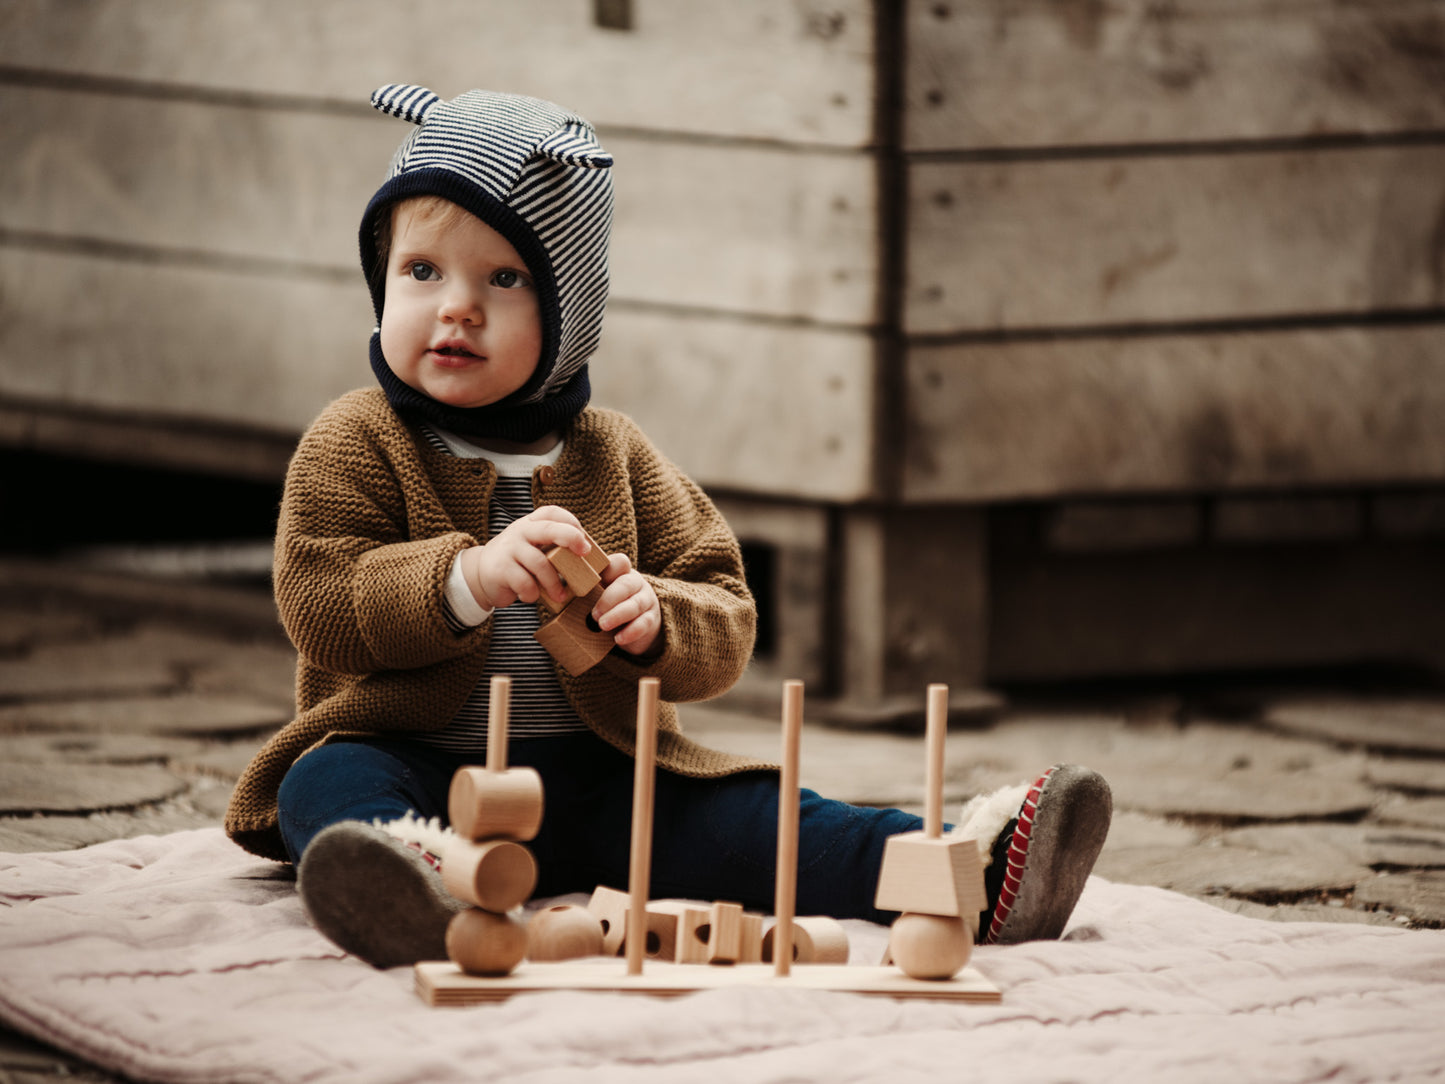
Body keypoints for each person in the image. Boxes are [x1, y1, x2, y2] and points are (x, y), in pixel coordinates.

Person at [224, 84, 1112, 968]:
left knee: (764, 822)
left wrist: (656, 619)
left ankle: (961, 866)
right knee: (326, 782)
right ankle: (417, 880)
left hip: (608, 777)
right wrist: (468, 579)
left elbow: (726, 612)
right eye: (422, 271)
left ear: (569, 313)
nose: (456, 307)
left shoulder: (616, 455)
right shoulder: (356, 439)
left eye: (505, 279)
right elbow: (319, 599)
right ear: (380, 276)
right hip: (419, 766)